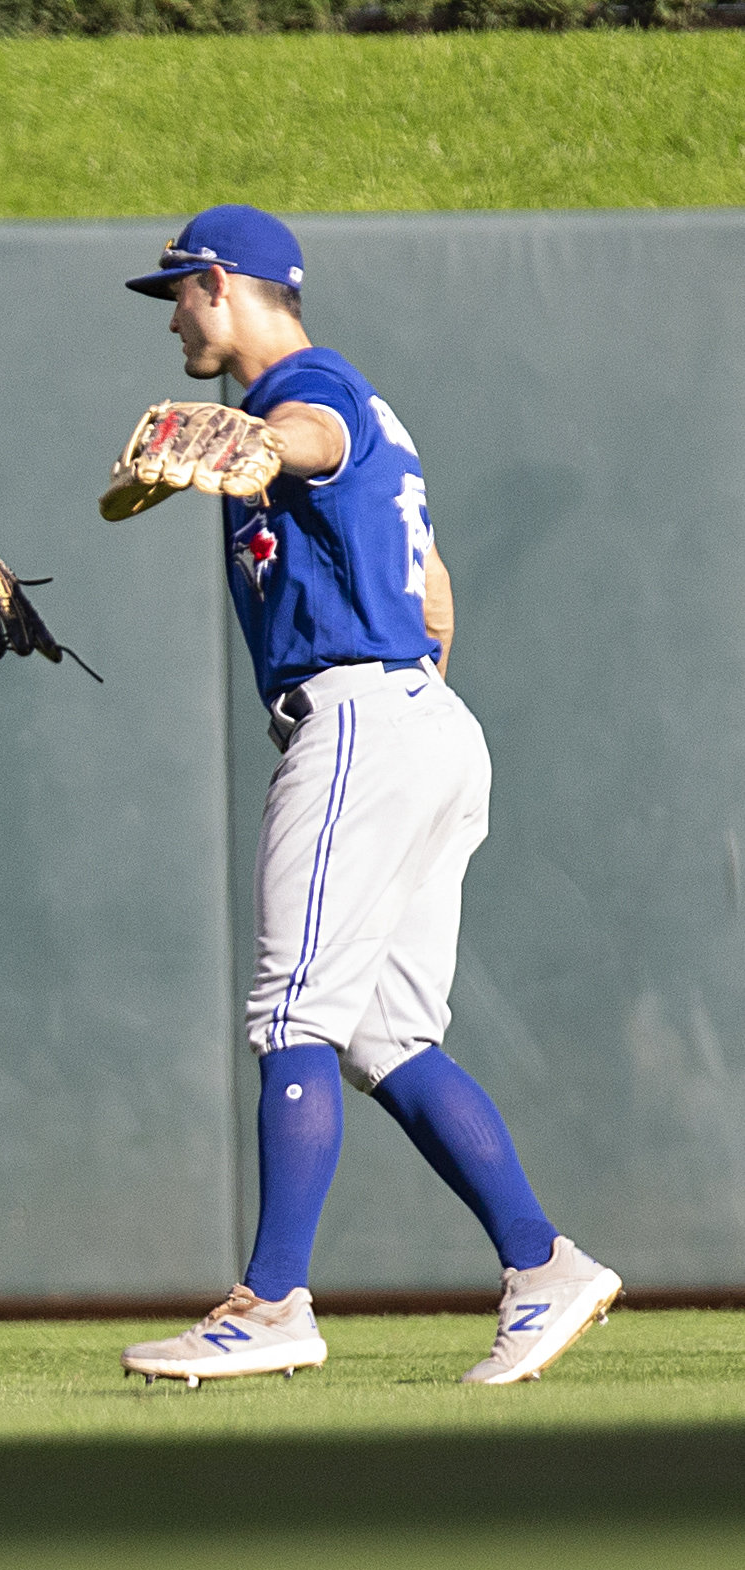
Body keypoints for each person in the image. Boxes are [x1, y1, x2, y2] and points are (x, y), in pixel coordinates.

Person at [113, 207, 622, 1386]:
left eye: (180, 292)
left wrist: (257, 444)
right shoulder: (357, 414)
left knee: (292, 1012)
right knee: (390, 1036)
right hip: (416, 720)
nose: (175, 316)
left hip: (357, 721)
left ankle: (273, 1303)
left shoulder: (312, 388)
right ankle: (543, 1264)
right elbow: (433, 589)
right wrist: (411, 705)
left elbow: (307, 434)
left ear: (223, 282)